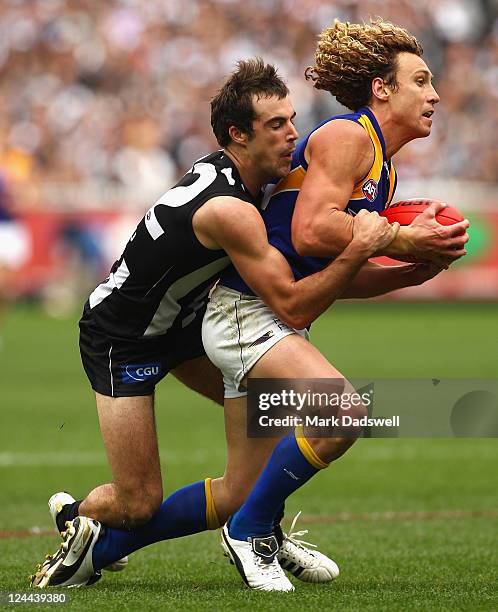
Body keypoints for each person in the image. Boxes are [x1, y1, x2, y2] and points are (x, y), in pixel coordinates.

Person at [30, 59, 399, 590]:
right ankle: (79, 522)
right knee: (137, 502)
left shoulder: (254, 177)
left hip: (185, 327)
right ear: (236, 136)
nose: (292, 135)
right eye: (276, 125)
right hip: (121, 339)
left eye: (292, 120)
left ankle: (258, 526)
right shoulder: (230, 209)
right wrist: (363, 245)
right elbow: (294, 306)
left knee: (269, 430)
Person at [201, 19, 470, 592]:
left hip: (269, 314)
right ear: (382, 89)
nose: (435, 95)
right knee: (343, 413)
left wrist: (412, 272)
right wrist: (403, 241)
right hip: (248, 312)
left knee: (235, 490)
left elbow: (337, 273)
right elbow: (313, 232)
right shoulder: (350, 138)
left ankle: (101, 536)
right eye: (421, 81)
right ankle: (253, 534)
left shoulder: (383, 165)